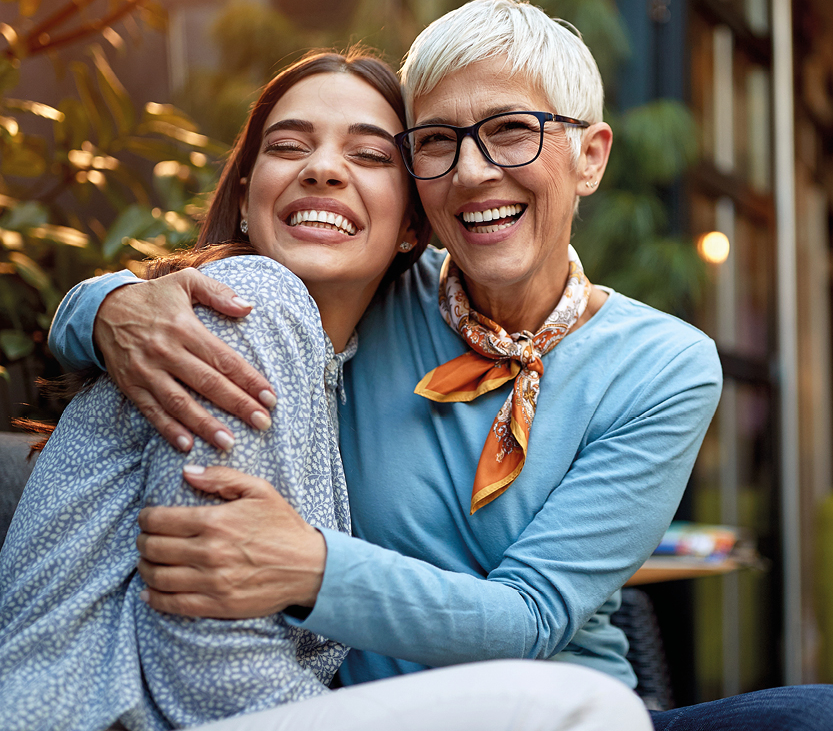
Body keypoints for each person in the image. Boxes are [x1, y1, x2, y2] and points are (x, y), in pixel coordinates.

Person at [49, 0, 833, 730]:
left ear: (589, 156)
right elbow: (252, 275)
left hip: (563, 697)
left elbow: (530, 617)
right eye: (436, 142)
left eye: (510, 131)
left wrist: (310, 567)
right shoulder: (371, 293)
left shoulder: (664, 365)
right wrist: (104, 306)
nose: (471, 171)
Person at [3, 47, 651, 731]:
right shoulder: (254, 303)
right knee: (592, 710)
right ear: (248, 197)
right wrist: (100, 306)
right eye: (288, 146)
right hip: (105, 715)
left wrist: (93, 304)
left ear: (411, 223)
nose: (322, 167)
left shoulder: (346, 358)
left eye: (371, 157)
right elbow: (208, 665)